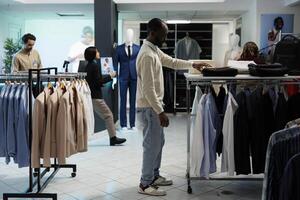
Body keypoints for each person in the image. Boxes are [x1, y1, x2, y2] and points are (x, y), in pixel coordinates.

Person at [136, 18, 210, 196]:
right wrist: (160, 111)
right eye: (164, 33)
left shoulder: (153, 50)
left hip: (154, 106)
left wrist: (193, 64)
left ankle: (154, 175)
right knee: (151, 145)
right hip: (150, 108)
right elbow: (148, 89)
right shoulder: (147, 55)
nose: (166, 36)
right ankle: (145, 184)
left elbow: (172, 62)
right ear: (153, 32)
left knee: (158, 143)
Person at [84, 46, 126, 146]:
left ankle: (113, 138)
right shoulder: (94, 66)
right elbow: (98, 82)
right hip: (96, 97)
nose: (98, 52)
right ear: (93, 54)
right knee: (109, 115)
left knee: (106, 115)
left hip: (92, 96)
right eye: (97, 51)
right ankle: (113, 138)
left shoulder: (89, 66)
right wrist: (110, 76)